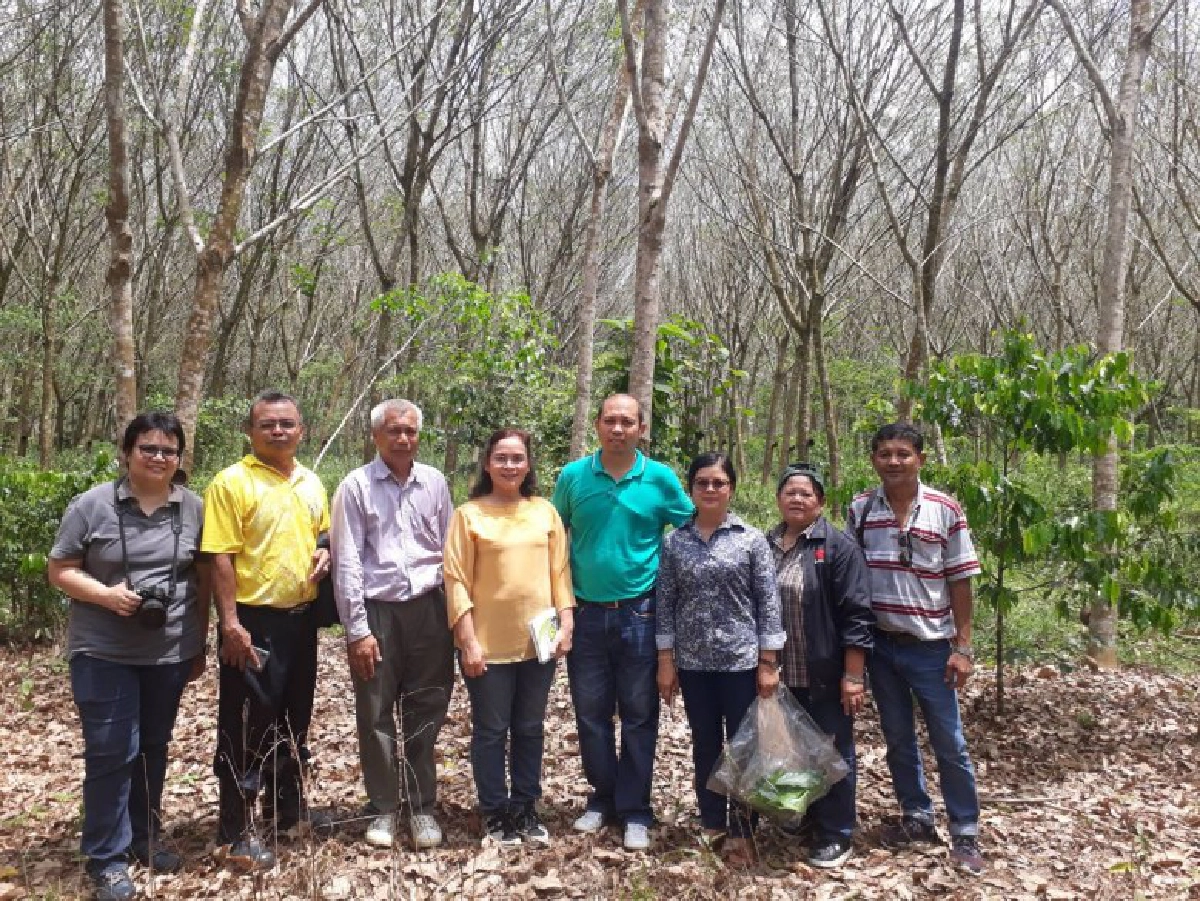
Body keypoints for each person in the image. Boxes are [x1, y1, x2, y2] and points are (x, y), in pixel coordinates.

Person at [48, 412, 209, 901]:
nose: (159, 458)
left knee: (152, 750)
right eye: (148, 449)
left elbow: (202, 581)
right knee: (111, 751)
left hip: (168, 651)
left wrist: (199, 644)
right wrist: (106, 596)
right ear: (127, 452)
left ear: (180, 458)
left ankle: (143, 836)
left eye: (169, 451)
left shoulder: (195, 509)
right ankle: (106, 857)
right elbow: (60, 569)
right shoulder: (93, 505)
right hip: (103, 649)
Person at [551, 393, 694, 851]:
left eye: (627, 422)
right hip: (586, 612)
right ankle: (601, 799)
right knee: (591, 714)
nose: (618, 429)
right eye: (610, 420)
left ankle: (635, 809)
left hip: (640, 611)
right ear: (597, 425)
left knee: (638, 714)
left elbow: (693, 528)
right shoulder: (574, 477)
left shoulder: (660, 479)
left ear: (641, 428)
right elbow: (553, 539)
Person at [846, 423, 985, 874]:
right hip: (883, 646)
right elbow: (850, 580)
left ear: (920, 459)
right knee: (898, 740)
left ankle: (965, 830)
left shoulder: (945, 509)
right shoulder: (861, 509)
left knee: (950, 742)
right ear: (873, 459)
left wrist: (962, 646)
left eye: (903, 453)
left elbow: (960, 578)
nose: (893, 461)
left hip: (930, 647)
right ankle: (917, 817)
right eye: (884, 453)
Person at [203, 391, 331, 869]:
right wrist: (230, 623)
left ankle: (284, 814)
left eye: (286, 424)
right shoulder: (231, 483)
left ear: (302, 430)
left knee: (292, 720)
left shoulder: (312, 481)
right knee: (245, 726)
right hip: (252, 622)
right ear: (250, 431)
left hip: (302, 621)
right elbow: (219, 555)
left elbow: (322, 533)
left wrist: (325, 549)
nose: (278, 431)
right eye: (267, 424)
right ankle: (234, 831)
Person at [329, 399, 454, 850]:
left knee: (426, 707)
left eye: (411, 431)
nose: (403, 439)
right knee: (376, 711)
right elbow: (347, 563)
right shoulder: (356, 486)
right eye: (394, 431)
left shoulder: (435, 483)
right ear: (376, 436)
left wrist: (454, 616)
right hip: (378, 610)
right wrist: (357, 631)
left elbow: (448, 551)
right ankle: (382, 807)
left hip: (429, 608)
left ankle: (421, 806)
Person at [444, 429, 575, 846]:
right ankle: (495, 811)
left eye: (517, 458)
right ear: (487, 463)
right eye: (501, 457)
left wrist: (567, 621)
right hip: (487, 643)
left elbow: (560, 572)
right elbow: (456, 579)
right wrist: (467, 639)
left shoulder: (544, 512)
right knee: (491, 729)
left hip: (539, 640)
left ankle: (525, 806)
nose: (509, 465)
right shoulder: (469, 514)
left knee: (531, 727)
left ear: (528, 464)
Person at [656, 453, 785, 866]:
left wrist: (768, 662)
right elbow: (665, 603)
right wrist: (666, 659)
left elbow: (768, 602)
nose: (710, 490)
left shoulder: (750, 540)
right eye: (702, 483)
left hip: (741, 663)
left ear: (731, 488)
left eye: (719, 483)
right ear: (691, 489)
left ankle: (744, 830)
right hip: (694, 665)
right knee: (706, 746)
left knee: (745, 748)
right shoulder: (675, 542)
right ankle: (712, 823)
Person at [766, 463, 873, 869]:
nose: (797, 498)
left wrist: (853, 674)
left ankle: (836, 832)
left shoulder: (838, 548)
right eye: (790, 491)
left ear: (821, 502)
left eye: (806, 493)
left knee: (832, 750)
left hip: (826, 673)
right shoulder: (767, 544)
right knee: (793, 750)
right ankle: (805, 817)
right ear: (778, 499)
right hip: (780, 675)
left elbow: (857, 614)